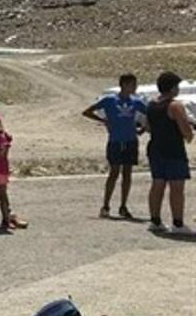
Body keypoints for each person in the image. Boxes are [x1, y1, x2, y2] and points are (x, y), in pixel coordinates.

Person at [82, 73, 148, 218]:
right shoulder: (109, 100)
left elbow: (151, 114)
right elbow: (87, 111)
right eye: (132, 84)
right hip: (115, 141)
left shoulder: (136, 102)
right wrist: (104, 120)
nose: (135, 87)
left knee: (127, 174)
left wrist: (143, 129)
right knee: (114, 172)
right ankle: (106, 205)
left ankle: (123, 205)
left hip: (131, 140)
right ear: (124, 84)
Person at [146, 71, 194, 234]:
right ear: (172, 88)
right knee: (176, 186)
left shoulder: (151, 105)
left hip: (155, 148)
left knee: (157, 183)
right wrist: (189, 135)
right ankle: (178, 223)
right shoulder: (175, 105)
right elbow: (185, 129)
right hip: (173, 149)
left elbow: (147, 126)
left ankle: (155, 220)